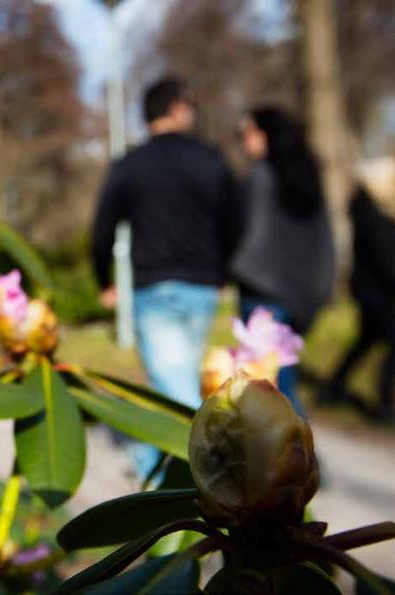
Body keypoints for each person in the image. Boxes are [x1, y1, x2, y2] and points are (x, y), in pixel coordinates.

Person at [91, 76, 238, 476]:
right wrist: (224, 270)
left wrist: (102, 277)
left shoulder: (131, 164)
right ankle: (169, 467)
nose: (192, 112)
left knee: (176, 386)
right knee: (180, 381)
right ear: (175, 108)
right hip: (201, 286)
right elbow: (234, 220)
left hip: (155, 287)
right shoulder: (211, 160)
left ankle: (200, 469)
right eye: (189, 105)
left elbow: (103, 226)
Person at [231, 107, 335, 416]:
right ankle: (295, 457)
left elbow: (247, 234)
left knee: (272, 391)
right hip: (298, 296)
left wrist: (235, 268)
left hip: (261, 295)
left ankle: (298, 460)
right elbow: (324, 242)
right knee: (281, 387)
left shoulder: (259, 177)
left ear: (267, 135)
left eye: (248, 133)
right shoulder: (308, 177)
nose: (243, 142)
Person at [322, 159, 395, 425]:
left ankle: (332, 388)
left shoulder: (369, 211)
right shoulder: (376, 217)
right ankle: (387, 407)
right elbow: (383, 262)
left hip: (370, 291)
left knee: (365, 342)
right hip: (378, 293)